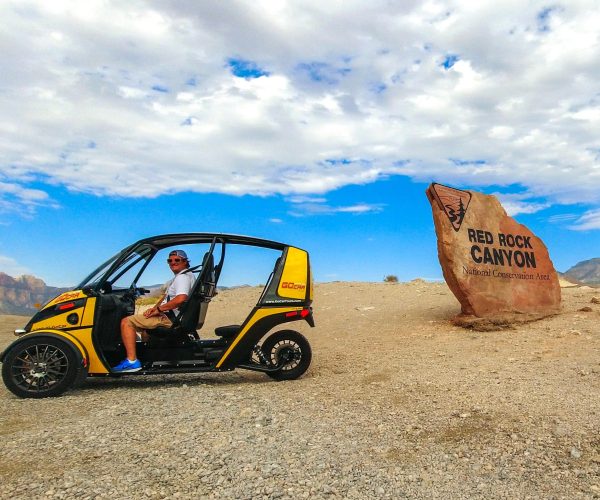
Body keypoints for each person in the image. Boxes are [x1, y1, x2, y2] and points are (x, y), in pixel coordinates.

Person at [112, 249, 195, 372]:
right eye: (170, 261)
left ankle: (132, 361)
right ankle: (147, 358)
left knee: (126, 322)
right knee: (145, 330)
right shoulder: (186, 276)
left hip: (170, 318)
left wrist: (159, 309)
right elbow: (166, 296)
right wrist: (154, 309)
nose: (173, 263)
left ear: (185, 261)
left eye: (177, 260)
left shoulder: (182, 277)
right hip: (173, 316)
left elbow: (180, 298)